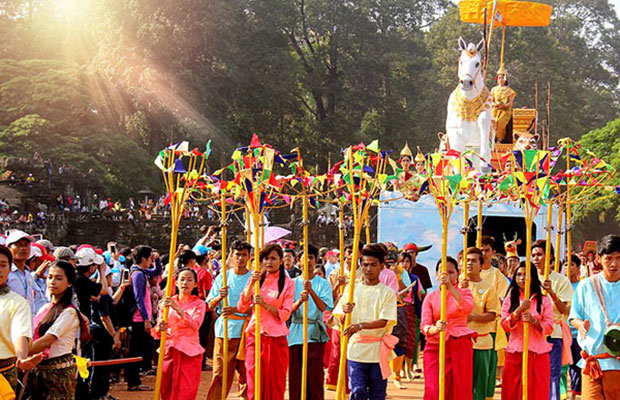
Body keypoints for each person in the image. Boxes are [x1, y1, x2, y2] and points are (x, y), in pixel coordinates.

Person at [332, 244, 398, 400]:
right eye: (365, 265)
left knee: (377, 394)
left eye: (373, 265)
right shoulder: (351, 289)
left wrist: (360, 326)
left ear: (382, 266)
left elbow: (384, 321)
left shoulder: (387, 293)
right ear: (360, 265)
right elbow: (339, 318)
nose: (369, 269)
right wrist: (345, 313)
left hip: (377, 350)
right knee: (357, 390)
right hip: (356, 350)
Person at [238, 244, 295, 400]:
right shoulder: (256, 279)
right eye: (266, 258)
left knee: (275, 382)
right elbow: (242, 306)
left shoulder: (289, 283)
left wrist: (266, 305)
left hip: (277, 339)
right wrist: (251, 284)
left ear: (281, 260)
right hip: (255, 336)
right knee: (254, 379)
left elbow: (285, 314)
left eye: (273, 258)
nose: (269, 262)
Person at [569, 234, 620, 399]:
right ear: (598, 258)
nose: (614, 264)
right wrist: (579, 325)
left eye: (619, 258)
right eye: (609, 258)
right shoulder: (586, 285)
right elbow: (573, 316)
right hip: (592, 362)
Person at [28, 261, 88, 399]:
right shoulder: (45, 308)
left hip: (58, 375)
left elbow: (47, 341)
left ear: (69, 283)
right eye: (49, 277)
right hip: (38, 371)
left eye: (58, 278)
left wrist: (18, 353)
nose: (52, 282)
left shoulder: (69, 312)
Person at [421, 257, 474, 400]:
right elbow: (425, 325)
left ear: (457, 274)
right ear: (437, 275)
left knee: (460, 388)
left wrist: (450, 287)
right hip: (435, 346)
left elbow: (467, 308)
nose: (446, 276)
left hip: (460, 344)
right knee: (434, 389)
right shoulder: (430, 298)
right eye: (443, 273)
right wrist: (435, 328)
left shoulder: (465, 292)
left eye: (451, 272)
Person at [206, 240, 252, 400]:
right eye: (238, 255)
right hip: (224, 330)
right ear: (232, 255)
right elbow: (210, 304)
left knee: (247, 373)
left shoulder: (253, 279)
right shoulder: (223, 277)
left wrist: (239, 309)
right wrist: (220, 296)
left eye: (244, 255)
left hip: (247, 331)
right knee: (220, 372)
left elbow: (259, 306)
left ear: (249, 257)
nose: (240, 258)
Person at [501, 262, 554, 400]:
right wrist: (517, 311)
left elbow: (549, 327)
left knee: (537, 392)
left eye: (526, 275)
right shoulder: (510, 299)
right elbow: (504, 325)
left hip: (538, 354)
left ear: (534, 277)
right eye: (519, 274)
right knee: (512, 391)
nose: (522, 278)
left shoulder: (544, 300)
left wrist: (534, 321)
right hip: (515, 353)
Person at [152, 268, 206, 400]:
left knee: (186, 391)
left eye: (189, 280)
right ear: (176, 283)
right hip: (168, 351)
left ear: (195, 284)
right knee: (166, 390)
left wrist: (178, 309)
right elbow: (157, 332)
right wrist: (160, 327)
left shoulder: (200, 304)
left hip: (190, 353)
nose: (185, 283)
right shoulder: (165, 304)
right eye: (181, 280)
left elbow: (195, 325)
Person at [288, 244, 333, 400]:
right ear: (298, 261)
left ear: (316, 260)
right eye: (304, 257)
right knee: (295, 374)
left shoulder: (323, 284)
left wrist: (311, 291)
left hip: (314, 331)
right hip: (295, 332)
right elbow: (288, 310)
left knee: (314, 374)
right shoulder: (291, 283)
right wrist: (300, 301)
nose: (307, 261)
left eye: (311, 257)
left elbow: (323, 307)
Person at [531, 239, 574, 400]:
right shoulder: (527, 278)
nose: (536, 258)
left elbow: (565, 310)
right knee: (532, 374)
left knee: (552, 374)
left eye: (539, 255)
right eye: (533, 255)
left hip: (553, 334)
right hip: (531, 334)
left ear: (549, 256)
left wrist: (551, 293)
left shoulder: (561, 280)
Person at [465, 247, 502, 400]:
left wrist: (473, 318)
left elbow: (493, 314)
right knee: (462, 384)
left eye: (473, 261)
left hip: (481, 342)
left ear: (481, 265)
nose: (469, 264)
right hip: (460, 342)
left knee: (479, 386)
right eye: (467, 260)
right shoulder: (458, 285)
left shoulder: (488, 288)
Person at [0, 245, 37, 397]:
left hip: (4, 373)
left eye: (2, 265)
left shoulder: (17, 303)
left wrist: (22, 358)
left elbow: (19, 334)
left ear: (9, 270)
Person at [126, 245, 162, 391]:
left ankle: (135, 379)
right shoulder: (138, 275)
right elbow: (139, 298)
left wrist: (157, 261)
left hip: (142, 317)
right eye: (149, 258)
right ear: (144, 258)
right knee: (136, 350)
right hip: (139, 318)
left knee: (140, 349)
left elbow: (157, 272)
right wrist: (146, 319)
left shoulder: (141, 272)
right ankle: (133, 381)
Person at [480, 235, 509, 393]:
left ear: (493, 252)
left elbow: (502, 299)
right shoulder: (467, 275)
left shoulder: (497, 275)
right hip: (473, 326)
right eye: (481, 250)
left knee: (489, 364)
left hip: (491, 325)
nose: (484, 253)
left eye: (487, 250)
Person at [6, 230, 37, 313]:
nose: (23, 248)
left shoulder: (28, 275)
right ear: (8, 249)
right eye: (18, 245)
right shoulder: (5, 273)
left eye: (26, 245)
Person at [566, 255, 582, 400]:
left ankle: (573, 395)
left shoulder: (582, 286)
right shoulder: (560, 284)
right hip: (561, 333)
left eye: (571, 265)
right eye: (565, 264)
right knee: (561, 366)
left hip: (577, 333)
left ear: (578, 268)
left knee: (577, 366)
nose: (568, 268)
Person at [490, 65, 516, 143]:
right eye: (499, 78)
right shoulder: (494, 90)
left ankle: (499, 139)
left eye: (502, 78)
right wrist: (496, 104)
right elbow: (491, 101)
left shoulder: (510, 91)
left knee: (500, 121)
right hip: (495, 109)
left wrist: (504, 105)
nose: (501, 80)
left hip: (505, 111)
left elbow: (510, 103)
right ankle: (490, 138)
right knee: (492, 120)